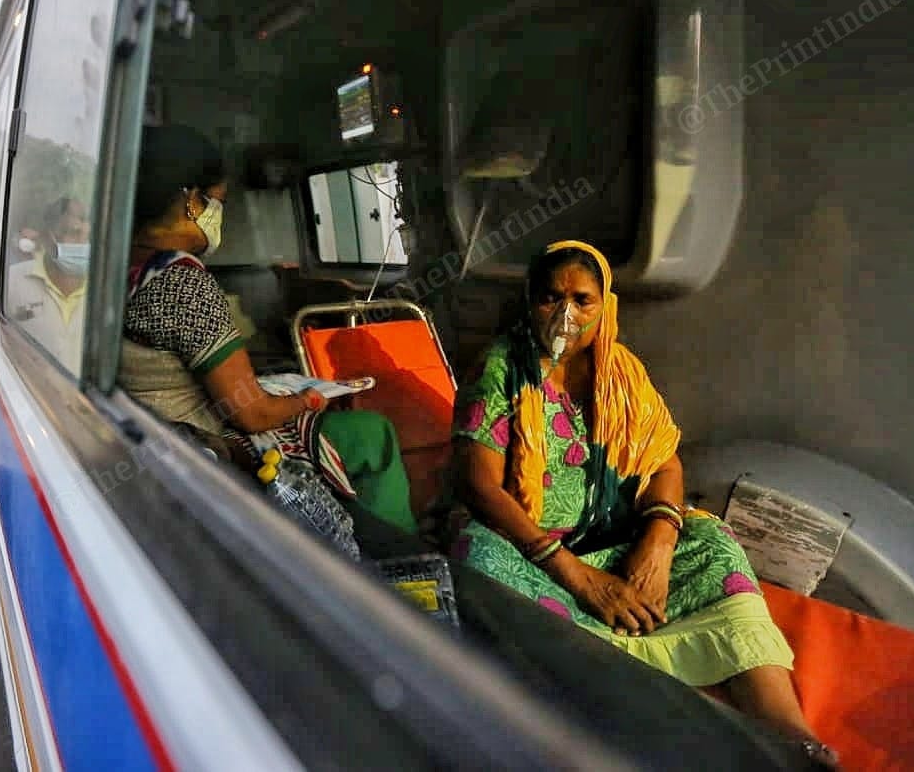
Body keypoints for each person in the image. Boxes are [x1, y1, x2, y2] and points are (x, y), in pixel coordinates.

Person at [447, 240, 837, 767]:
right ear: (528, 300)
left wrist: (656, 545)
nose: (566, 315)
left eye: (582, 300)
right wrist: (576, 577)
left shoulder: (623, 374)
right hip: (536, 554)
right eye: (550, 298)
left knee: (712, 542)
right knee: (476, 556)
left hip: (619, 544)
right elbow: (481, 487)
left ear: (604, 305)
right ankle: (699, 719)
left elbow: (665, 464)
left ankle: (791, 736)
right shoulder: (500, 370)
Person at [119, 124, 414, 529]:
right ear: (191, 201)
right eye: (216, 202)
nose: (217, 215)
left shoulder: (119, 265)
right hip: (211, 445)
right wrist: (307, 399)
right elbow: (253, 414)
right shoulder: (182, 282)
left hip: (161, 430)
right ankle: (400, 561)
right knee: (372, 433)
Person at [4, 197, 90, 374]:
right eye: (74, 233)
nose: (84, 244)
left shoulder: (107, 292)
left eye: (88, 236)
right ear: (48, 238)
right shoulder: (12, 283)